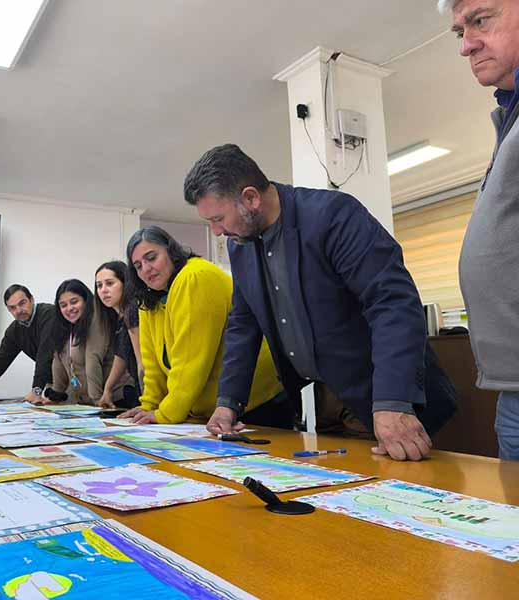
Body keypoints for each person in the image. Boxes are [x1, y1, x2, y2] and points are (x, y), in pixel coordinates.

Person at [183, 143, 456, 460]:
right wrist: (228, 402)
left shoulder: (332, 216)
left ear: (251, 198)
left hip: (384, 397)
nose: (216, 232)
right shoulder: (241, 245)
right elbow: (243, 324)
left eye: (218, 219)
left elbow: (392, 303)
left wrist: (393, 400)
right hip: (326, 398)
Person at [440, 0, 519, 460]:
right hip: (511, 385)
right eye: (460, 31)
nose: (466, 45)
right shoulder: (508, 116)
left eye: (480, 20)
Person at [120, 226, 283, 425]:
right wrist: (149, 405)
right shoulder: (149, 300)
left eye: (152, 258)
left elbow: (191, 362)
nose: (146, 269)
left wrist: (166, 414)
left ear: (171, 251)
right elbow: (152, 364)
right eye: (138, 266)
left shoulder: (194, 277)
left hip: (253, 402)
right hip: (211, 411)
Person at [33, 279, 132, 406]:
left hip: (114, 398)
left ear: (86, 301)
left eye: (74, 302)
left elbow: (93, 360)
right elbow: (58, 362)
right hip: (88, 403)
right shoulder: (64, 327)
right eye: (63, 305)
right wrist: (55, 395)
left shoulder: (97, 320)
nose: (69, 308)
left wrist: (97, 400)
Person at [93, 261, 142, 409]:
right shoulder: (119, 317)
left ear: (125, 283)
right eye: (99, 286)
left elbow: (143, 363)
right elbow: (121, 355)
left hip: (152, 393)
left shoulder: (132, 309)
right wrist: (107, 390)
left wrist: (149, 403)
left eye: (110, 283)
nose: (103, 290)